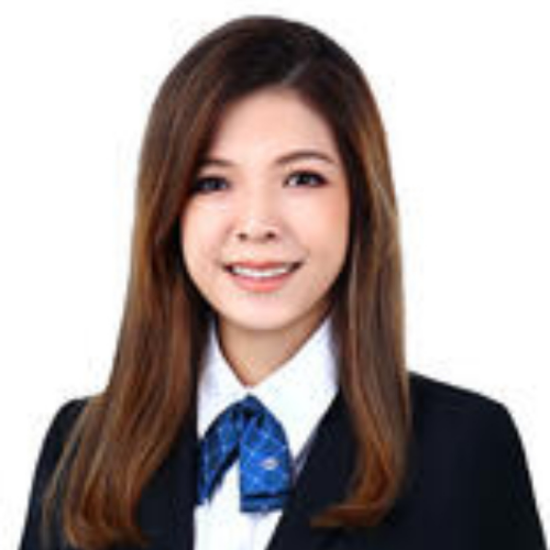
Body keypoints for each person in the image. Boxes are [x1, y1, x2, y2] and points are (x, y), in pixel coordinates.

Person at [19, 15, 546, 550]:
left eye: (302, 178)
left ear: (359, 201)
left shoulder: (465, 448)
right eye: (212, 182)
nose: (256, 224)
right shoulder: (82, 446)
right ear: (169, 211)